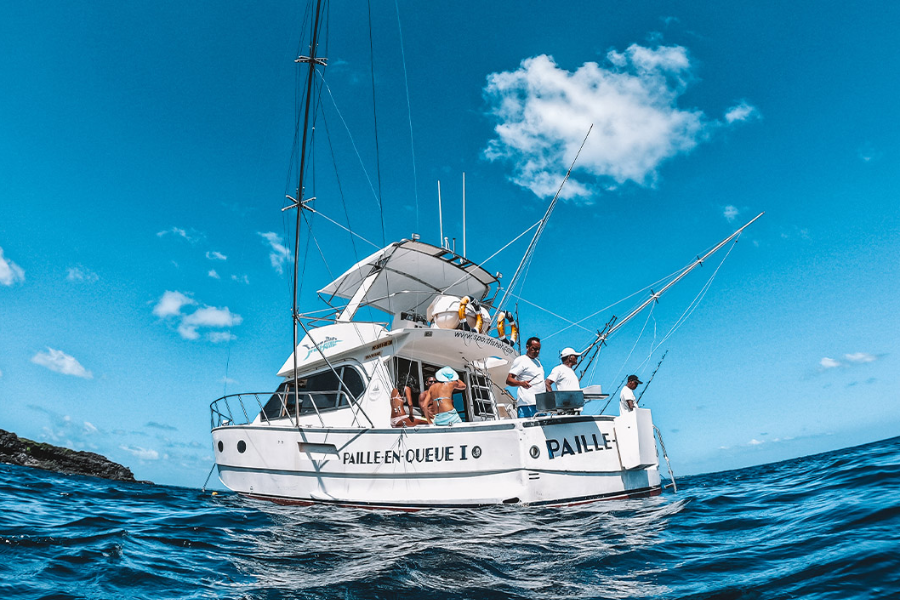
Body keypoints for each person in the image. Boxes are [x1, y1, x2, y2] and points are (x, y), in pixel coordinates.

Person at [506, 337, 544, 418]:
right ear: (527, 347)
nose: (537, 352)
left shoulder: (538, 363)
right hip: (527, 404)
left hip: (540, 405)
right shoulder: (521, 360)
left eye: (539, 349)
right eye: (534, 349)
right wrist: (521, 383)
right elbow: (509, 380)